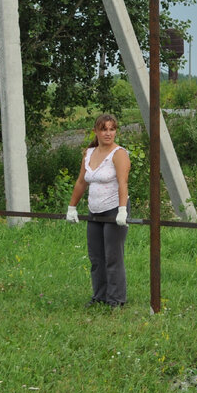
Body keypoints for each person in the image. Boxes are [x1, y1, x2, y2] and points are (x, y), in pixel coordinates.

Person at [65, 114, 131, 307]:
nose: (108, 133)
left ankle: (116, 300)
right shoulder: (89, 153)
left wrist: (122, 210)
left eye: (112, 129)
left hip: (114, 210)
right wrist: (72, 207)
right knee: (96, 257)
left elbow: (123, 183)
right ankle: (99, 297)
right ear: (96, 131)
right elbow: (81, 181)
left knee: (113, 257)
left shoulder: (119, 154)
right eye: (104, 129)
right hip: (95, 210)